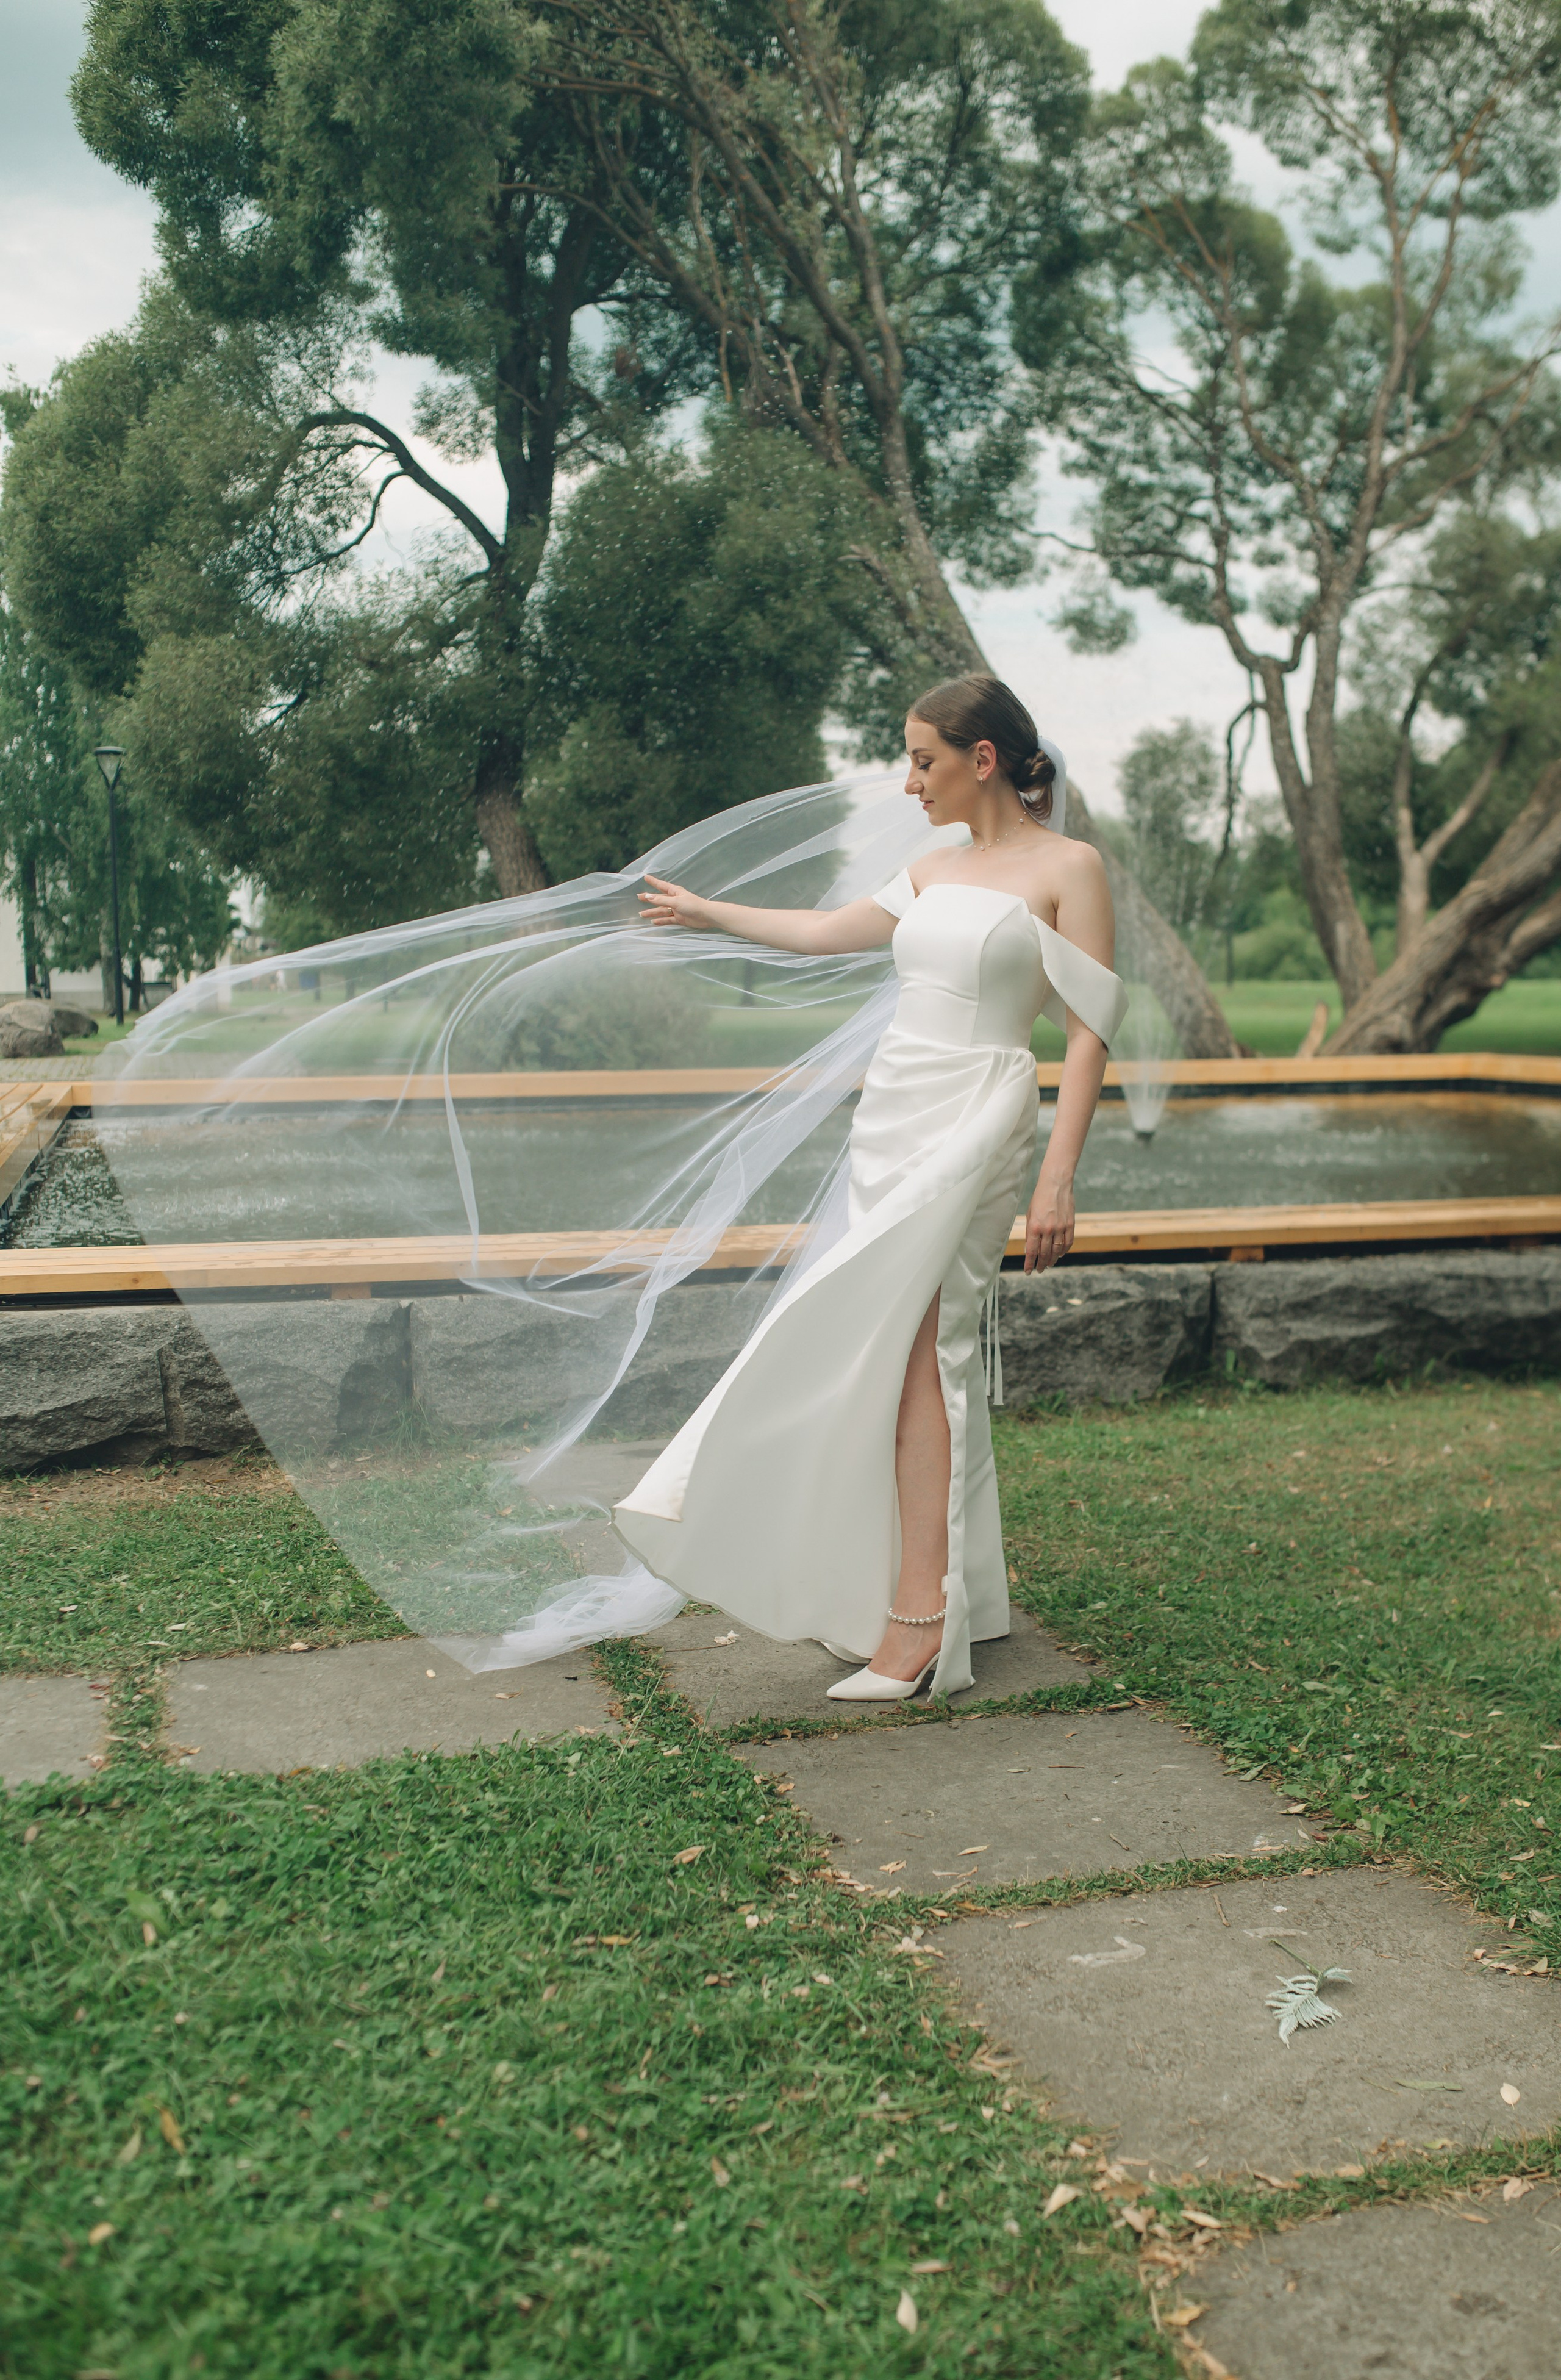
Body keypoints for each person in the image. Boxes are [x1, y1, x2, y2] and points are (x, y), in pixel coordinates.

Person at [613, 673, 1126, 1701]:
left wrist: (1059, 1175)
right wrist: (707, 911)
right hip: (894, 1114)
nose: (908, 781)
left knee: (923, 1348)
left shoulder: (1072, 869)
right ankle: (953, 1589)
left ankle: (920, 1622)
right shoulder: (930, 869)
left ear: (983, 760)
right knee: (895, 1345)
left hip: (979, 1111)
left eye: (923, 760)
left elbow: (1087, 1031)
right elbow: (824, 933)